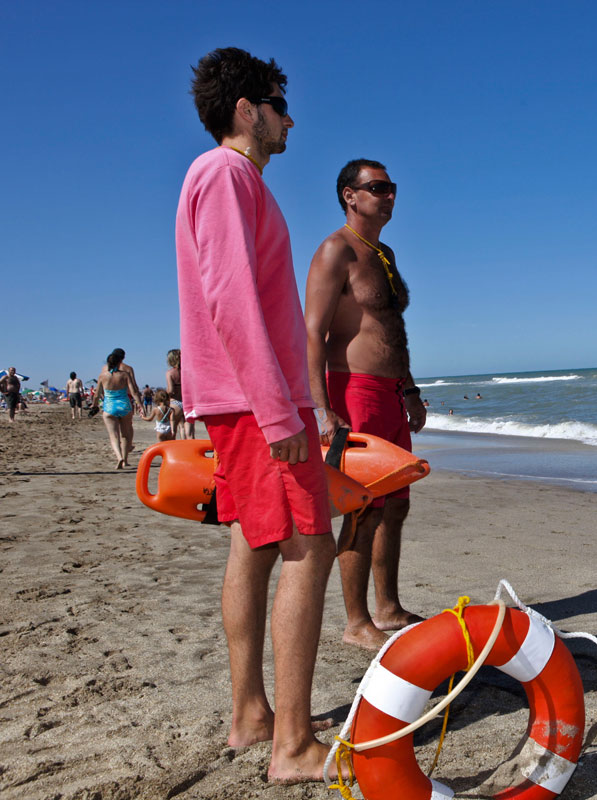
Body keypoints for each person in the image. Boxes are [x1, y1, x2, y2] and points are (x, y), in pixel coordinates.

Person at [177, 46, 333, 783]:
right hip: (254, 402)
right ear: (247, 110)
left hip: (243, 400)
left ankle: (251, 715)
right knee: (310, 546)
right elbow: (230, 297)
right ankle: (293, 747)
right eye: (279, 105)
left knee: (255, 543)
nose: (289, 120)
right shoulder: (225, 173)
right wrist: (279, 414)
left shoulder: (233, 180)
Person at [305, 158, 426, 650]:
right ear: (349, 195)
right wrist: (322, 409)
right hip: (353, 391)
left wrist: (410, 388)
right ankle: (356, 623)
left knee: (395, 506)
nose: (389, 195)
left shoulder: (385, 254)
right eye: (378, 187)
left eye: (392, 187)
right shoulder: (336, 250)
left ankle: (387, 608)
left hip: (392, 393)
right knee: (363, 508)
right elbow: (312, 332)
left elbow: (390, 329)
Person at [96, 351, 139, 468]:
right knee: (125, 434)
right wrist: (140, 404)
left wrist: (94, 405)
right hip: (124, 405)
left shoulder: (103, 374)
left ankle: (119, 457)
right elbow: (134, 391)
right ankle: (125, 460)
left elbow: (97, 394)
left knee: (114, 435)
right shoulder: (126, 373)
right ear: (120, 360)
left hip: (110, 407)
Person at [166, 349, 193, 439]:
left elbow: (171, 390)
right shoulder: (187, 371)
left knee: (173, 431)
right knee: (189, 433)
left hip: (175, 403)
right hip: (187, 402)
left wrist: (165, 394)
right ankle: (190, 447)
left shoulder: (170, 373)